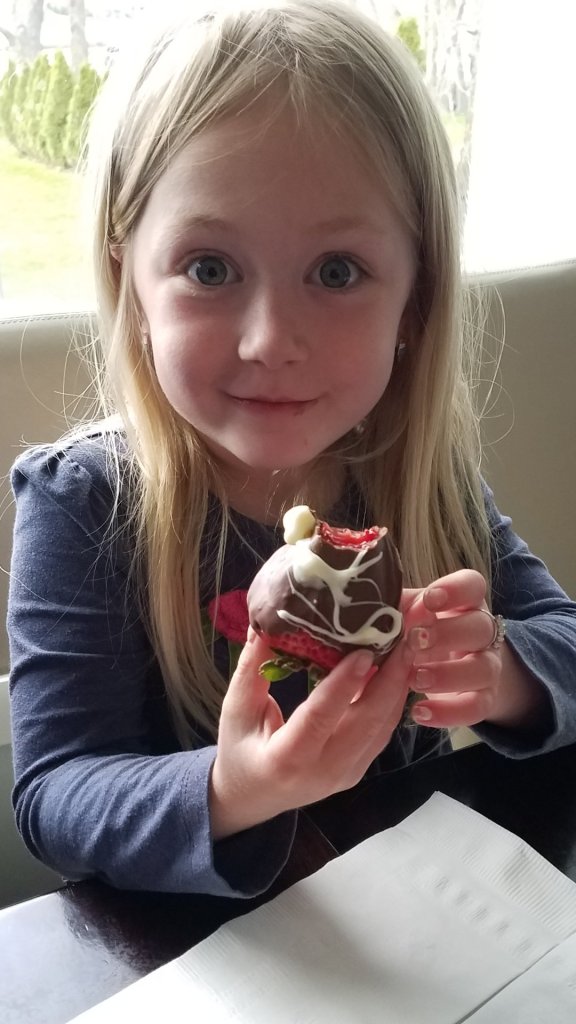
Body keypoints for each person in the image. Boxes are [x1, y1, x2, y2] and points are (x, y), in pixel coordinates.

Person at [7, 0, 576, 897]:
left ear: (416, 298)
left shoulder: (417, 481)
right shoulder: (84, 503)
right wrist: (238, 789)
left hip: (417, 912)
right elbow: (56, 794)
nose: (271, 339)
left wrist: (495, 669)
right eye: (209, 268)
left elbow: (565, 643)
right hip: (185, 948)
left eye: (336, 271)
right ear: (130, 277)